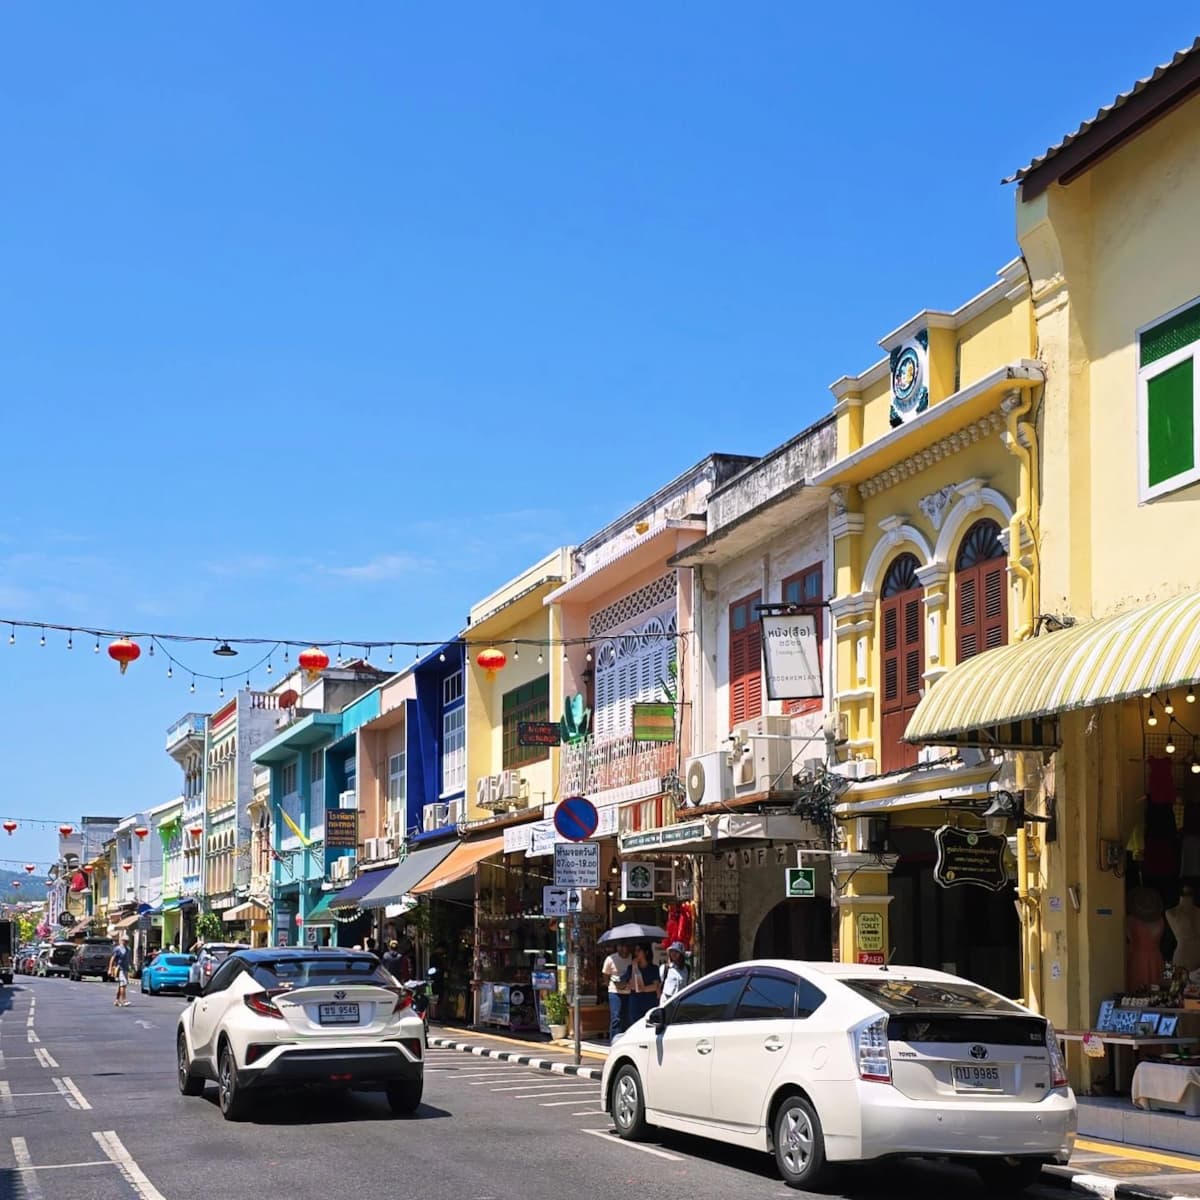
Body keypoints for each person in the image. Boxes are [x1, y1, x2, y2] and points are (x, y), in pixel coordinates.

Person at [601, 941, 633, 1041]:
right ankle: (614, 1041)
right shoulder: (610, 959)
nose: (624, 949)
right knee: (616, 1018)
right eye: (621, 946)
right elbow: (605, 975)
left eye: (626, 946)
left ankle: (626, 1040)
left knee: (628, 1018)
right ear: (617, 947)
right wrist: (610, 986)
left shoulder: (633, 958)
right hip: (615, 992)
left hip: (629, 992)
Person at [627, 943, 661, 1023]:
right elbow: (632, 986)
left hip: (650, 1002)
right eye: (635, 951)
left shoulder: (654, 968)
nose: (636, 953)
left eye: (639, 950)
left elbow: (655, 986)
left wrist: (642, 989)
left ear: (646, 952)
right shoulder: (630, 968)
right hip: (636, 1003)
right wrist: (634, 968)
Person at [109, 937, 131, 1007]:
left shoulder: (128, 949)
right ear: (121, 941)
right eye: (125, 941)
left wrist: (131, 966)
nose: (126, 942)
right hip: (120, 968)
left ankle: (117, 1000)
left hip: (125, 969)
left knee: (121, 985)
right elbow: (112, 958)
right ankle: (124, 1000)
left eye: (127, 941)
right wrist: (110, 968)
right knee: (123, 984)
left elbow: (128, 959)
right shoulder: (118, 949)